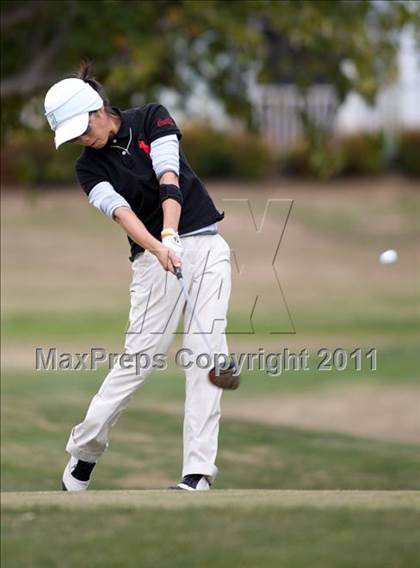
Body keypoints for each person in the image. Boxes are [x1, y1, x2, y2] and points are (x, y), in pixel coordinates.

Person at [44, 62, 233, 491]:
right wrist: (160, 247)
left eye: (80, 129)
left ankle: (197, 474)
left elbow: (170, 177)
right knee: (139, 362)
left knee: (204, 357)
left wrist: (172, 232)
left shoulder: (152, 117)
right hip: (153, 262)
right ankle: (84, 453)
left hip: (204, 244)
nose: (80, 139)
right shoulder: (86, 169)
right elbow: (121, 213)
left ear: (97, 110)